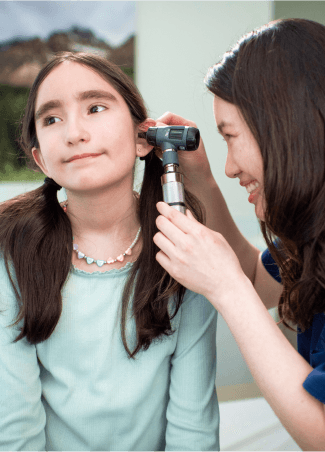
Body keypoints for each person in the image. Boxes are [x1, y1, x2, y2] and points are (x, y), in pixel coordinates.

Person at [154, 18, 325, 450]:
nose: (231, 165)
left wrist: (225, 289)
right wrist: (201, 180)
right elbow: (257, 277)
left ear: (287, 125)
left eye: (231, 138)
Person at [0, 52, 219, 451]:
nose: (74, 132)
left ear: (143, 138)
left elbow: (194, 429)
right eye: (52, 119)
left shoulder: (186, 250)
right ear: (40, 159)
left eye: (95, 107)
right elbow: (15, 427)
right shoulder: (11, 253)